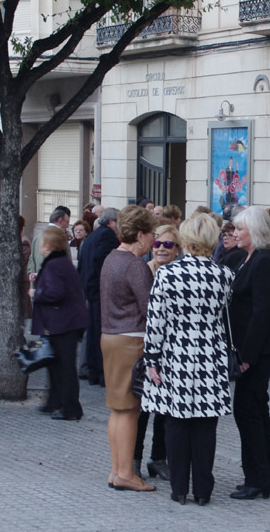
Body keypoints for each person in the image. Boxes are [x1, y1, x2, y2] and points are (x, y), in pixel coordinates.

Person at [143, 214, 234, 505]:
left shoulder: (167, 274)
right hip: (211, 355)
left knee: (176, 422)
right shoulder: (224, 275)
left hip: (176, 354)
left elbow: (156, 321)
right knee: (206, 425)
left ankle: (179, 488)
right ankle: (203, 490)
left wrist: (151, 358)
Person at [228, 206, 270, 499]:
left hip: (257, 350)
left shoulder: (263, 260)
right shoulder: (249, 257)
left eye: (240, 229)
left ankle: (259, 479)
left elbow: (263, 312)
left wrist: (247, 356)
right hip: (252, 347)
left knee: (248, 411)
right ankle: (265, 476)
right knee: (254, 410)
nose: (234, 233)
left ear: (256, 230)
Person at [99, 205, 158, 492]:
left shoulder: (112, 258)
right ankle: (125, 473)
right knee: (129, 410)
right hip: (131, 339)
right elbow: (151, 309)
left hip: (110, 336)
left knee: (118, 409)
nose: (154, 241)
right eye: (151, 234)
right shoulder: (135, 265)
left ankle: (117, 470)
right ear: (140, 234)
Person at [136, 224, 181, 481]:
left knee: (165, 411)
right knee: (141, 410)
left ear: (177, 249)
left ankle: (159, 458)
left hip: (170, 352)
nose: (161, 249)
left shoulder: (178, 275)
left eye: (168, 245)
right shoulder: (144, 271)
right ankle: (135, 460)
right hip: (143, 348)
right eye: (157, 244)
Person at [31, 228, 88, 420]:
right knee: (56, 365)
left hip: (63, 323)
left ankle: (70, 408)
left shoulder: (55, 264)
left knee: (63, 367)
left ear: (48, 245)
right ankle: (55, 402)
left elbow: (55, 292)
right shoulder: (60, 262)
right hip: (64, 322)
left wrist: (36, 293)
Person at [78, 207, 119, 386]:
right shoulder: (107, 236)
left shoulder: (92, 236)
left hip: (90, 290)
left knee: (94, 334)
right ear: (112, 222)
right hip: (99, 291)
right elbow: (104, 263)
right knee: (100, 335)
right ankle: (101, 373)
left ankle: (94, 372)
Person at [29, 206, 71, 278]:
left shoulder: (37, 237)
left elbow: (31, 260)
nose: (67, 226)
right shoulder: (60, 238)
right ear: (60, 220)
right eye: (67, 222)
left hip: (39, 283)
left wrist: (33, 278)